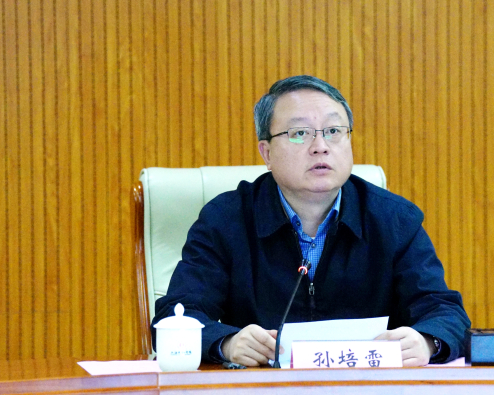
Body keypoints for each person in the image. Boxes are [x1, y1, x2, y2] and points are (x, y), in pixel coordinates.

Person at [152, 75, 470, 367]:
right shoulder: (225, 220)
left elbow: (445, 312)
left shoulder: (395, 220)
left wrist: (427, 342)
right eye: (299, 134)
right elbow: (176, 314)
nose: (320, 147)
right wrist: (227, 343)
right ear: (266, 152)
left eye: (333, 131)